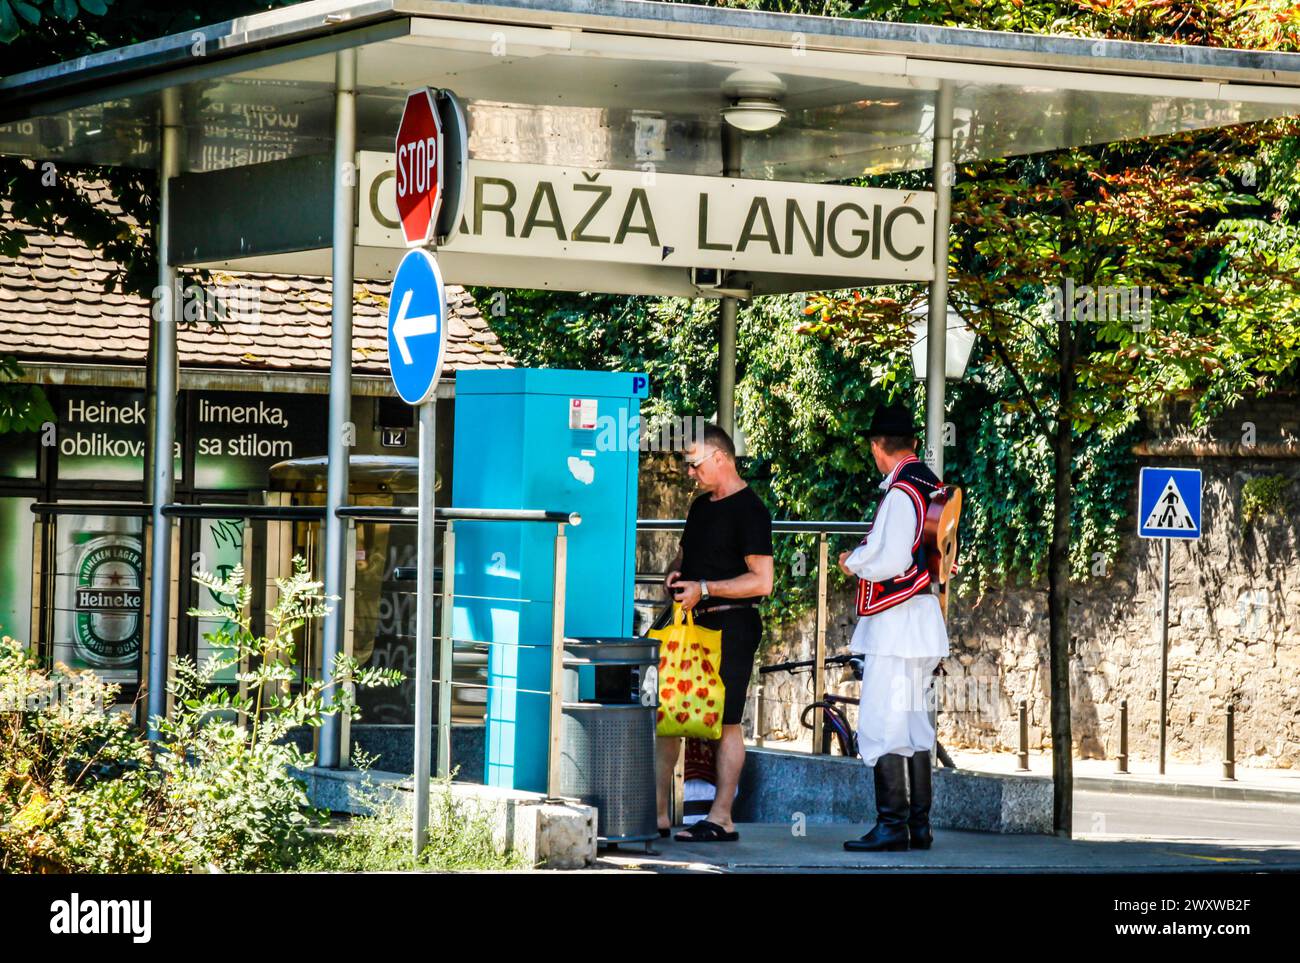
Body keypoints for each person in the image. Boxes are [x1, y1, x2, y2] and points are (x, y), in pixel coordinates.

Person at [837, 401, 949, 852]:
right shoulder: (931, 484)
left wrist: (853, 562)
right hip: (921, 621)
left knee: (884, 720)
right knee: (914, 723)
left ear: (875, 447)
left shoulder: (902, 492)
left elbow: (891, 559)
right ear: (913, 443)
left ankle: (890, 826)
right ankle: (917, 827)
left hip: (897, 625)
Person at [658, 423, 773, 843]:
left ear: (720, 458)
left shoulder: (751, 510)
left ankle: (721, 816)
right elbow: (687, 555)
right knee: (669, 715)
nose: (691, 473)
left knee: (726, 722)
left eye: (695, 463)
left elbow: (762, 581)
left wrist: (704, 588)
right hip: (690, 625)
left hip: (732, 626)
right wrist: (676, 574)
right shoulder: (701, 507)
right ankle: (658, 814)